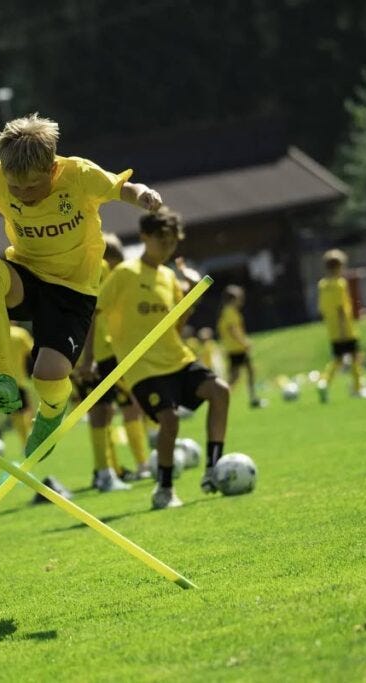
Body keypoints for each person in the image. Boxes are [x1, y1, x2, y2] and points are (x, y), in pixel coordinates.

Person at [0, 110, 162, 458]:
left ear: (53, 168)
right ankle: (5, 379)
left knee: (48, 379)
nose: (23, 194)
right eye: (16, 187)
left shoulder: (78, 174)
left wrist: (144, 196)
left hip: (74, 292)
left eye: (32, 186)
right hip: (27, 275)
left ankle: (51, 412)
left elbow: (122, 187)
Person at [96, 208, 231, 510]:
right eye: (162, 241)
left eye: (173, 242)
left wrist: (190, 299)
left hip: (176, 358)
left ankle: (212, 469)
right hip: (142, 366)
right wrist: (87, 359)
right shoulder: (124, 274)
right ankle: (165, 489)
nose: (168, 247)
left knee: (220, 391)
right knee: (168, 421)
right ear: (145, 237)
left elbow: (176, 326)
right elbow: (95, 312)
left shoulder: (169, 277)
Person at [75, 233, 151, 493]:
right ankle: (140, 465)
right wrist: (89, 358)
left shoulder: (77, 266)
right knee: (126, 406)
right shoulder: (101, 268)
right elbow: (93, 314)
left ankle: (107, 472)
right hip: (102, 352)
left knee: (102, 411)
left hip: (83, 351)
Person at [316, 250, 366, 402]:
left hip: (332, 330)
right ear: (337, 267)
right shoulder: (339, 284)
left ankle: (324, 383)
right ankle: (358, 388)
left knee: (337, 359)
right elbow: (341, 309)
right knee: (355, 357)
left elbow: (322, 309)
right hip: (345, 329)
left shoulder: (322, 285)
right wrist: (344, 329)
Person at [217, 285, 264, 408]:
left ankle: (252, 398)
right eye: (239, 297)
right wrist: (244, 342)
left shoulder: (229, 311)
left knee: (246, 373)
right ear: (233, 298)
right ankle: (219, 398)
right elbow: (232, 330)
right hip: (236, 349)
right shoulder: (229, 311)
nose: (241, 300)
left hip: (235, 348)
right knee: (236, 377)